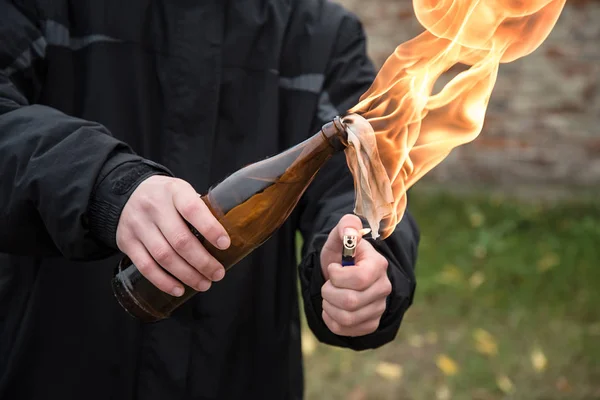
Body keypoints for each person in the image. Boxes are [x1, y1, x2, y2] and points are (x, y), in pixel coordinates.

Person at [0, 0, 420, 399]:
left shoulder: (321, 36)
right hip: (58, 365)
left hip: (243, 373)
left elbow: (363, 181)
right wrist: (103, 183)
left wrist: (363, 263)